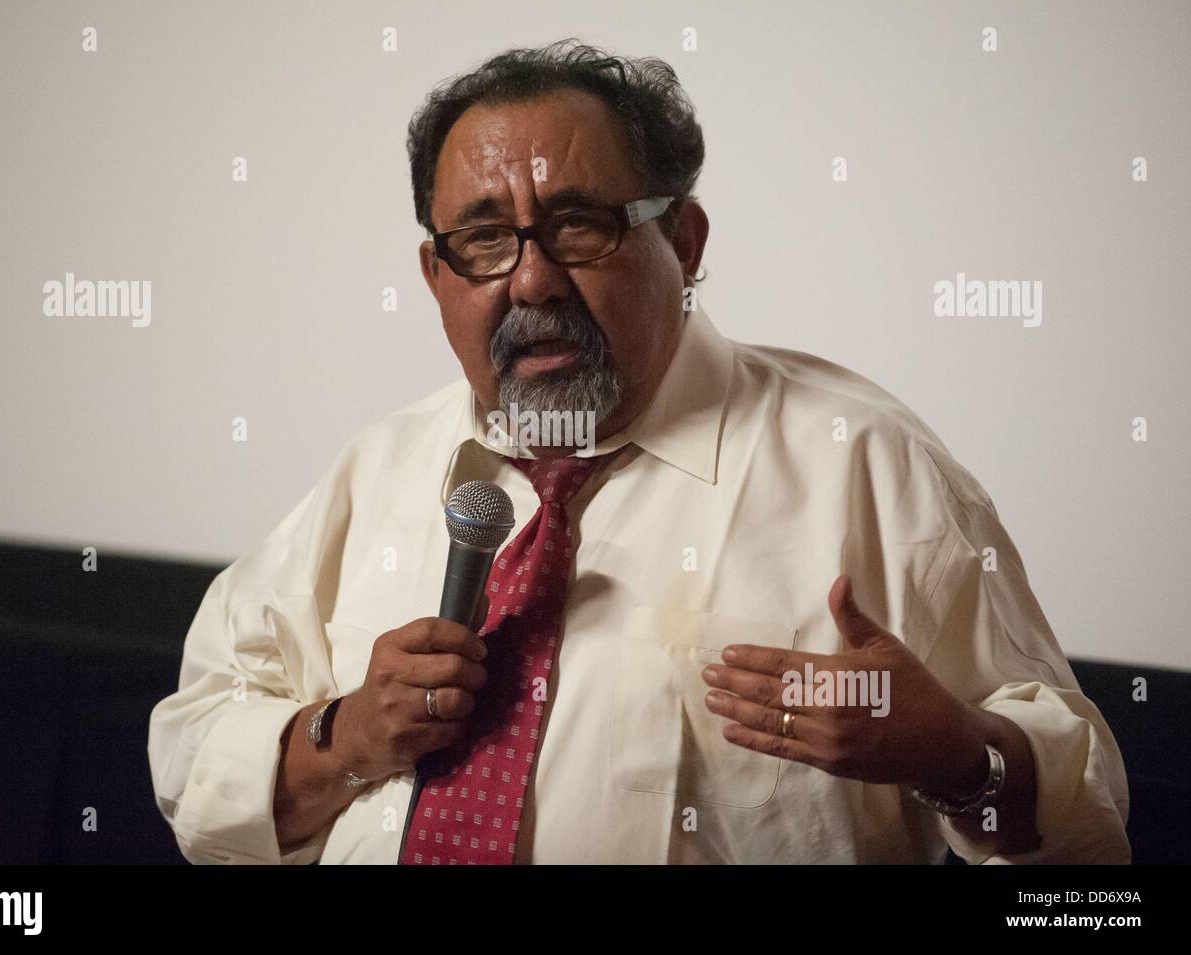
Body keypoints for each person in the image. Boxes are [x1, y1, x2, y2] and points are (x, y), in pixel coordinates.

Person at [147, 39, 1130, 864]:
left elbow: (1089, 827)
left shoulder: (865, 464)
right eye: (482, 240)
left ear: (686, 241)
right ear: (434, 272)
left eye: (578, 226)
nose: (529, 280)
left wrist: (958, 758)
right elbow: (192, 751)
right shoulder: (379, 472)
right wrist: (342, 738)